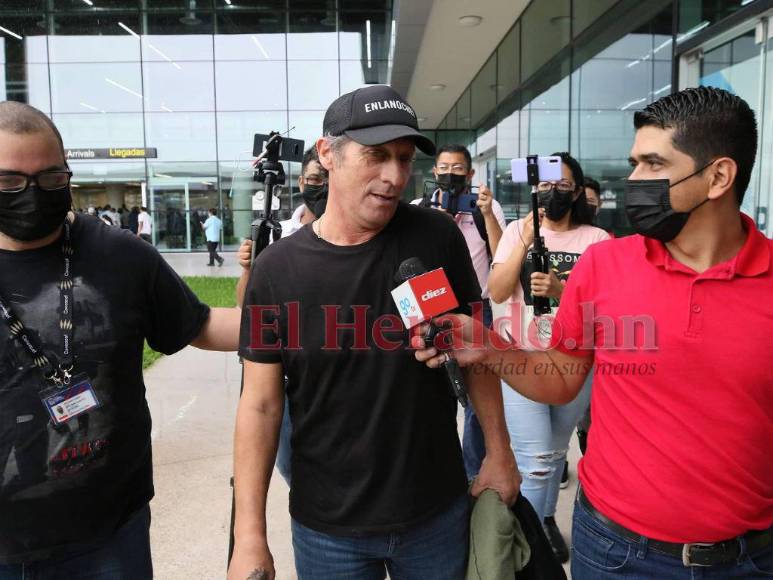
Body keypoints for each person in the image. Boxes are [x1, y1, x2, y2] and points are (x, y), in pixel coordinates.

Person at [413, 86, 773, 578]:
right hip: (615, 552)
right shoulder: (605, 264)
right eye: (634, 162)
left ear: (718, 176)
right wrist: (487, 346)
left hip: (750, 558)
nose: (633, 179)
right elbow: (560, 377)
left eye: (652, 163)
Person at [228, 85, 519, 580]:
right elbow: (259, 404)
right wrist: (250, 535)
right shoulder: (276, 270)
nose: (394, 176)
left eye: (404, 159)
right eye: (377, 156)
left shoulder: (436, 237)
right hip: (328, 528)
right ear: (328, 153)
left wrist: (499, 452)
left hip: (436, 512)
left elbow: (476, 355)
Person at [0, 100, 241, 577]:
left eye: (50, 179)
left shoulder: (121, 253)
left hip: (109, 533)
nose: (33, 194)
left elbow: (202, 325)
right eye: (9, 183)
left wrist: (317, 321)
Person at [487, 151, 609, 562]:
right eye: (545, 185)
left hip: (574, 362)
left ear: (576, 192)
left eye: (563, 186)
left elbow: (604, 308)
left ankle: (545, 522)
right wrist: (522, 240)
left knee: (555, 455)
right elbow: (499, 291)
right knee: (537, 461)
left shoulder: (597, 241)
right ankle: (528, 551)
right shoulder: (517, 232)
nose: (553, 192)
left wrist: (561, 292)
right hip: (523, 358)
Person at [410, 144, 506, 482]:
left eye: (458, 168)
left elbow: (502, 254)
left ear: (470, 173)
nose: (451, 174)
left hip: (476, 310)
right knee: (428, 388)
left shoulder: (486, 207)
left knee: (478, 398)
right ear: (434, 172)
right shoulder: (417, 209)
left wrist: (487, 214)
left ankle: (472, 469)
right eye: (444, 167)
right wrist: (440, 223)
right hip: (429, 312)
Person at [235, 146, 329, 486]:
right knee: (289, 463)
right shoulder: (277, 235)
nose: (322, 186)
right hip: (287, 369)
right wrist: (249, 269)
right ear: (302, 181)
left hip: (332, 362)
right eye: (315, 178)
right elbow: (248, 308)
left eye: (328, 178)